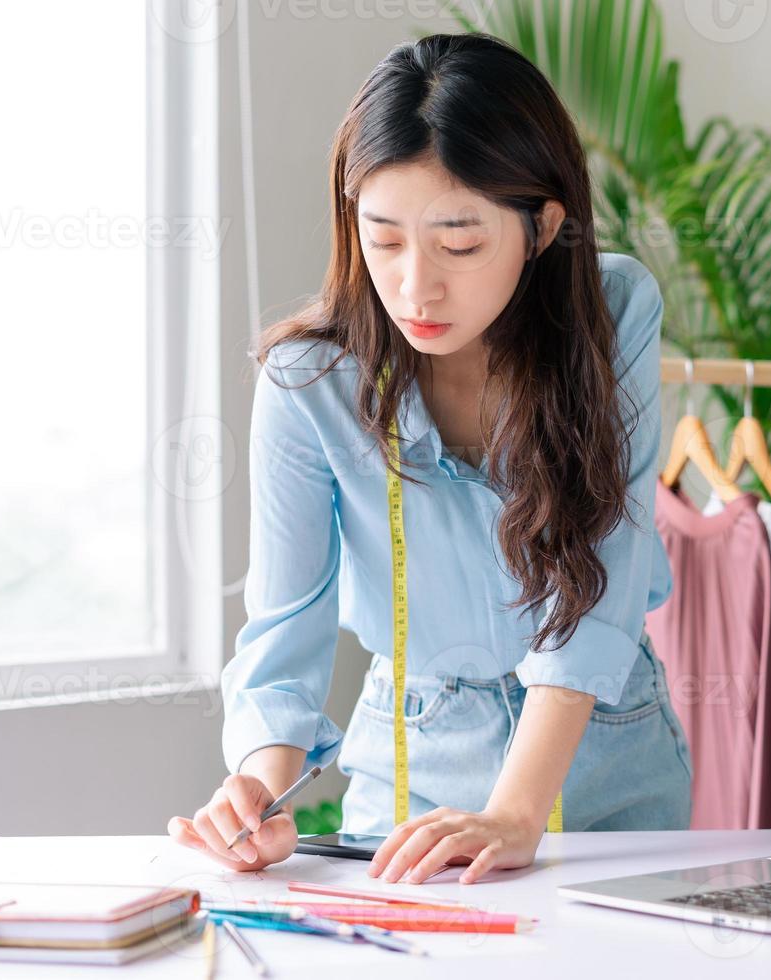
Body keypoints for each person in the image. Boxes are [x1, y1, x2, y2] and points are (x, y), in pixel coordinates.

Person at [168, 32, 691, 885]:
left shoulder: (611, 309)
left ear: (542, 226)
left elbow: (607, 562)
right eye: (383, 241)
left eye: (459, 245)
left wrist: (516, 813)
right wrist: (257, 795)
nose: (416, 288)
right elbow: (284, 626)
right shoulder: (312, 382)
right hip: (410, 767)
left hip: (605, 755)